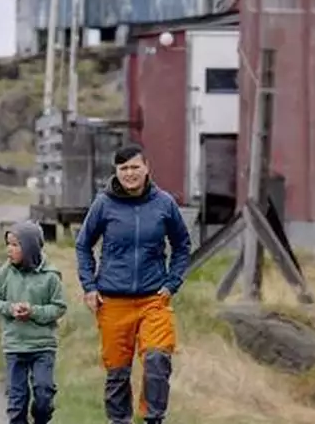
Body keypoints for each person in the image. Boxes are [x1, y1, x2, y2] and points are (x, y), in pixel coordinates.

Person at [75, 144, 192, 424]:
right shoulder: (104, 204)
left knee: (157, 361)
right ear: (116, 171)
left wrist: (172, 282)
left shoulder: (164, 203)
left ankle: (153, 418)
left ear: (147, 167)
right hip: (113, 301)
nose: (129, 173)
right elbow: (83, 245)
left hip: (154, 299)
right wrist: (89, 287)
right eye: (123, 168)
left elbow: (182, 245)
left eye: (134, 167)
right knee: (117, 373)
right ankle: (119, 421)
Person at [0, 221, 68, 424]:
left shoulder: (50, 276)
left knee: (43, 395)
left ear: (30, 247)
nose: (9, 250)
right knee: (17, 402)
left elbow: (58, 307)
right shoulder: (5, 272)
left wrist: (33, 312)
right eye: (8, 244)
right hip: (15, 346)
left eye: (15, 245)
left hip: (42, 346)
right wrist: (10, 309)